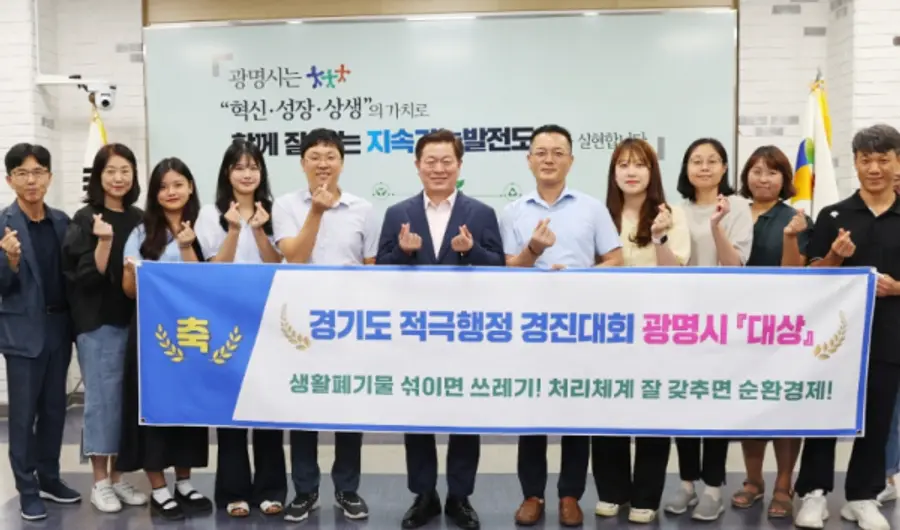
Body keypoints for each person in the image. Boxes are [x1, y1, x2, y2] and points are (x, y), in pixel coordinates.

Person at [377, 128, 504, 530]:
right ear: (417, 166)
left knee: (465, 416)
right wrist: (404, 251)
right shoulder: (397, 213)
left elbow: (500, 268)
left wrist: (471, 252)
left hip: (465, 332)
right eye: (430, 161)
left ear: (459, 165)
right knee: (418, 417)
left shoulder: (481, 213)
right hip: (414, 333)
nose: (438, 168)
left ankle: (460, 497)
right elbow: (381, 268)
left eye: (446, 161)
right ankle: (424, 495)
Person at [502, 124, 623, 527]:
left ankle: (570, 494)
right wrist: (534, 252)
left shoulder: (592, 208)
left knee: (575, 412)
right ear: (529, 160)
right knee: (532, 413)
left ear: (571, 160)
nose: (549, 159)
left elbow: (615, 259)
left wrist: (578, 277)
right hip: (531, 326)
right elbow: (507, 268)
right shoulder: (513, 211)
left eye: (558, 152)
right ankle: (532, 494)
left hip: (579, 325)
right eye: (541, 152)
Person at [793, 124, 900, 530]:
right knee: (824, 412)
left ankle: (862, 496)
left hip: (889, 335)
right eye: (866, 159)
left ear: (897, 163)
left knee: (877, 417)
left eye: (883, 159)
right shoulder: (833, 215)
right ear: (854, 163)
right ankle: (814, 493)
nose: (874, 168)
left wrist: (897, 288)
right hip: (835, 338)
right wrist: (836, 257)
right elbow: (813, 276)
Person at [272, 128, 380, 523]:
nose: (323, 164)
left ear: (342, 163)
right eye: (315, 157)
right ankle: (305, 491)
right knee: (303, 407)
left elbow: (372, 269)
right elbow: (294, 257)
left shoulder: (363, 209)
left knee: (348, 408)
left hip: (349, 324)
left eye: (330, 156)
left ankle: (347, 489)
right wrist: (316, 211)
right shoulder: (286, 205)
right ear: (302, 163)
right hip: (300, 324)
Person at [592, 137, 690, 524]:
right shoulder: (599, 215)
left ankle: (646, 496)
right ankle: (611, 492)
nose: (631, 172)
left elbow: (676, 270)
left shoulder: (672, 214)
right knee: (607, 408)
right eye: (623, 165)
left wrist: (660, 236)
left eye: (640, 164)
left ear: (653, 172)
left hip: (656, 329)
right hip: (608, 328)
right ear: (613, 172)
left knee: (652, 410)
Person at [117, 157, 213, 521]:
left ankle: (184, 482)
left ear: (190, 186)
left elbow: (207, 281)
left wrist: (188, 247)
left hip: (191, 333)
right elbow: (129, 290)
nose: (171, 192)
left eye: (177, 184)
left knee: (188, 406)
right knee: (153, 408)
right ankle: (158, 487)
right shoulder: (142, 232)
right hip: (152, 334)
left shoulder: (206, 226)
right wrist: (131, 272)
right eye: (163, 187)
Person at [194, 139, 286, 518]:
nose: (247, 174)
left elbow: (278, 263)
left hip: (268, 319)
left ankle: (270, 489)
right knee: (230, 410)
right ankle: (233, 491)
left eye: (253, 167)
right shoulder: (209, 213)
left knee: (268, 408)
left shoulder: (275, 211)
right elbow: (214, 269)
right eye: (239, 167)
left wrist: (260, 231)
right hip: (225, 320)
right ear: (227, 173)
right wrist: (233, 229)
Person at [664, 137, 753, 522]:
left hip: (722, 321)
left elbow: (734, 264)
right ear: (686, 168)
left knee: (715, 404)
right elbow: (670, 267)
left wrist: (717, 225)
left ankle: (714, 488)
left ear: (724, 168)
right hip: (683, 321)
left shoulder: (737, 207)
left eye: (712, 161)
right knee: (684, 402)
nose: (704, 167)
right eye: (696, 161)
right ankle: (687, 484)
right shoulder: (675, 211)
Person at [61, 143, 146, 513]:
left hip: (135, 322)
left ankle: (117, 477)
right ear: (98, 176)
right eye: (110, 170)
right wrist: (105, 241)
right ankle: (99, 482)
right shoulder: (85, 218)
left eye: (125, 170)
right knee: (102, 402)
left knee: (126, 403)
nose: (118, 178)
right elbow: (85, 277)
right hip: (98, 323)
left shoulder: (140, 218)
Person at [0, 143, 81, 521]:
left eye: (37, 172)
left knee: (53, 410)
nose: (30, 181)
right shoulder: (2, 224)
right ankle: (27, 489)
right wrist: (10, 261)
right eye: (22, 173)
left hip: (59, 326)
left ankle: (49, 477)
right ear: (9, 180)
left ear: (49, 177)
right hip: (22, 332)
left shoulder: (62, 222)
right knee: (22, 416)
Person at [729, 145, 810, 519]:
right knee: (751, 402)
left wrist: (792, 236)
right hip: (737, 324)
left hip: (782, 325)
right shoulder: (731, 211)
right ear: (746, 175)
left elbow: (795, 270)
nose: (763, 178)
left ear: (785, 179)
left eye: (772, 172)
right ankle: (753, 480)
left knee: (784, 405)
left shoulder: (795, 218)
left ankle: (783, 483)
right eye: (757, 171)